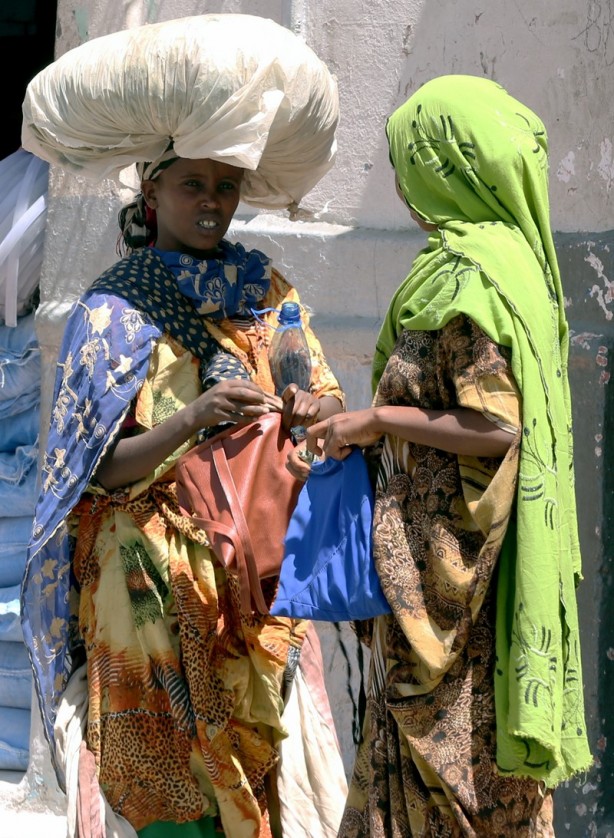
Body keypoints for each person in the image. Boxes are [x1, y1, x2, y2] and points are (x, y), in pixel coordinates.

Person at [21, 150, 346, 838]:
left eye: (226, 187)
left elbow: (313, 389)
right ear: (152, 191)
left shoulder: (266, 292)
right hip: (144, 588)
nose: (211, 201)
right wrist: (191, 419)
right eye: (192, 184)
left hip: (249, 579)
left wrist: (307, 406)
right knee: (162, 783)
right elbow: (94, 469)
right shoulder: (113, 310)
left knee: (263, 773)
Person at [307, 74, 592, 836]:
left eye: (406, 160)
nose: (399, 181)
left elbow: (498, 428)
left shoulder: (469, 280)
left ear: (446, 166)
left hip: (450, 598)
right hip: (464, 582)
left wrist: (376, 420)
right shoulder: (511, 266)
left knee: (445, 773)